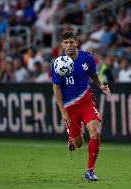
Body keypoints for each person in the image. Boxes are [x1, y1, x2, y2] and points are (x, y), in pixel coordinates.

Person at [51, 31, 111, 181]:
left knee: (95, 132)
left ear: (76, 42)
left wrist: (101, 86)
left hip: (86, 102)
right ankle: (72, 140)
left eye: (71, 42)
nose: (69, 45)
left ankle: (90, 170)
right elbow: (56, 89)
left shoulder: (86, 57)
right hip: (70, 107)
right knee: (78, 144)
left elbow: (94, 75)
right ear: (62, 45)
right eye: (66, 43)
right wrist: (63, 112)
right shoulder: (58, 64)